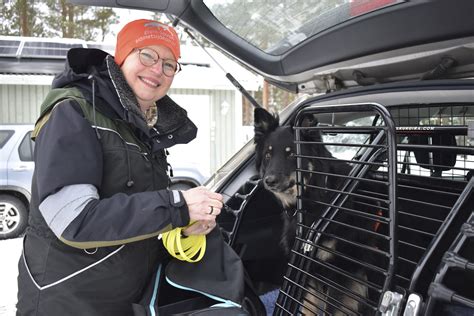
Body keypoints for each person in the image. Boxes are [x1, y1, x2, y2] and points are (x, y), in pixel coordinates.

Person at [16, 19, 224, 315]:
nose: (157, 70)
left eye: (169, 64)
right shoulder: (74, 111)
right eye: (147, 55)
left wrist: (184, 227)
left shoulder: (144, 129)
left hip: (125, 298)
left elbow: (134, 215)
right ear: (121, 58)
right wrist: (176, 206)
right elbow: (73, 219)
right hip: (69, 301)